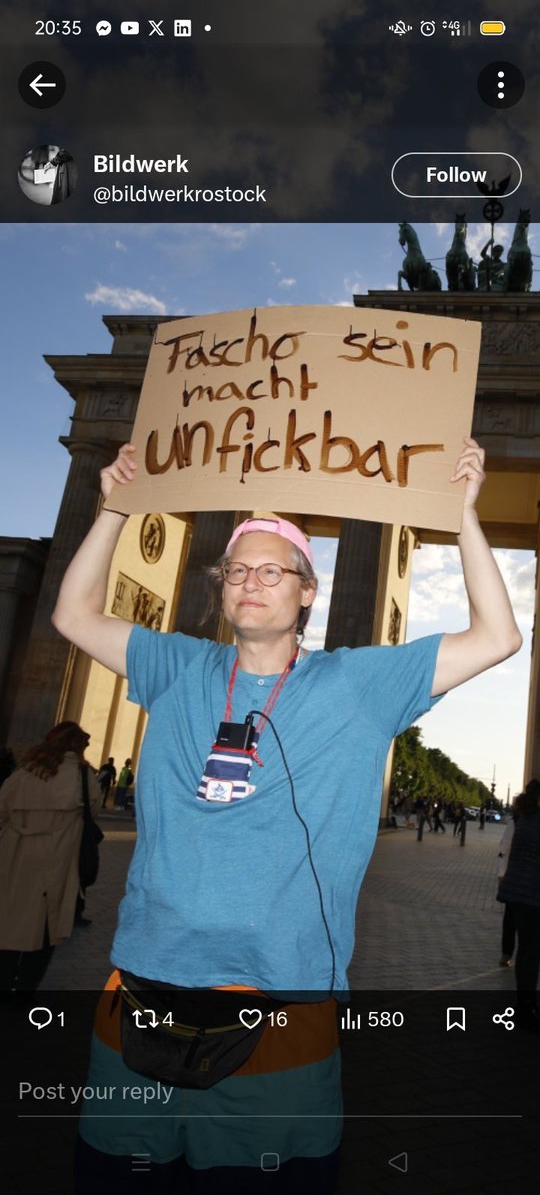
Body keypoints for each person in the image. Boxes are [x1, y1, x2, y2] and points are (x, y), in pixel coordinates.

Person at [51, 437, 521, 1191]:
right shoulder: (176, 666)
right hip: (141, 987)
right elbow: (73, 615)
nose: (249, 582)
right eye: (236, 570)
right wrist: (113, 507)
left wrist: (463, 516)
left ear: (308, 592)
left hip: (282, 1001)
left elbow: (498, 638)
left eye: (272, 570)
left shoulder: (359, 684)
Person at [0, 721, 100, 992]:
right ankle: (26, 987)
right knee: (46, 926)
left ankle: (4, 981)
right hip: (58, 862)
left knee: (10, 922)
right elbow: (94, 810)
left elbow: (3, 808)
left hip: (15, 858)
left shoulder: (25, 773)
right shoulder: (82, 777)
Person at [497, 780, 540, 1032]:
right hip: (532, 895)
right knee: (531, 952)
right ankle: (527, 1009)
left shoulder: (525, 819)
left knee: (527, 951)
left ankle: (525, 1005)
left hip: (518, 894)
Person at [497, 810, 517, 966]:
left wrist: (502, 873)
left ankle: (507, 953)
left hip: (514, 875)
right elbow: (505, 848)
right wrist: (502, 872)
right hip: (517, 875)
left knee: (510, 918)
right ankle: (507, 953)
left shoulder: (516, 820)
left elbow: (504, 847)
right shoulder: (516, 821)